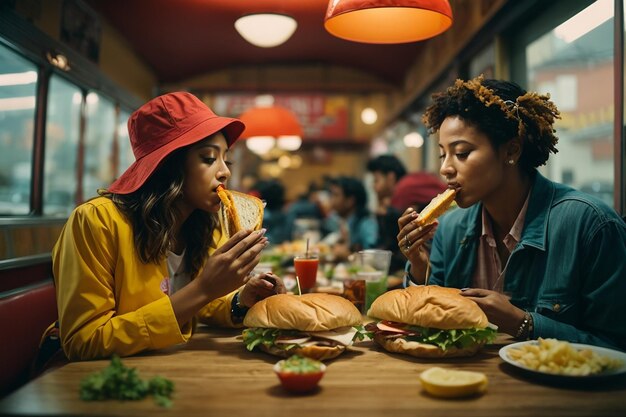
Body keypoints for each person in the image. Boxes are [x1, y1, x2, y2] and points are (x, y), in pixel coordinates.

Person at [46, 92, 286, 362]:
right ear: (168, 166)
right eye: (208, 158)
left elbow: (195, 306)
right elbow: (83, 340)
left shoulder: (203, 224)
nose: (225, 172)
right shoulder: (95, 222)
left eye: (225, 160)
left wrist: (240, 300)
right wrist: (204, 288)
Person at [398, 76, 626, 350]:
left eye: (461, 153)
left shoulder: (591, 225)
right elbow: (431, 323)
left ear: (512, 150)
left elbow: (615, 346)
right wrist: (420, 266)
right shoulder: (450, 227)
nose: (445, 168)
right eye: (442, 155)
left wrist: (523, 322)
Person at [325, 176, 378, 261]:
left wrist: (348, 256)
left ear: (350, 201)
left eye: (336, 195)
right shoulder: (344, 221)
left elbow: (375, 257)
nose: (331, 200)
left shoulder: (366, 223)